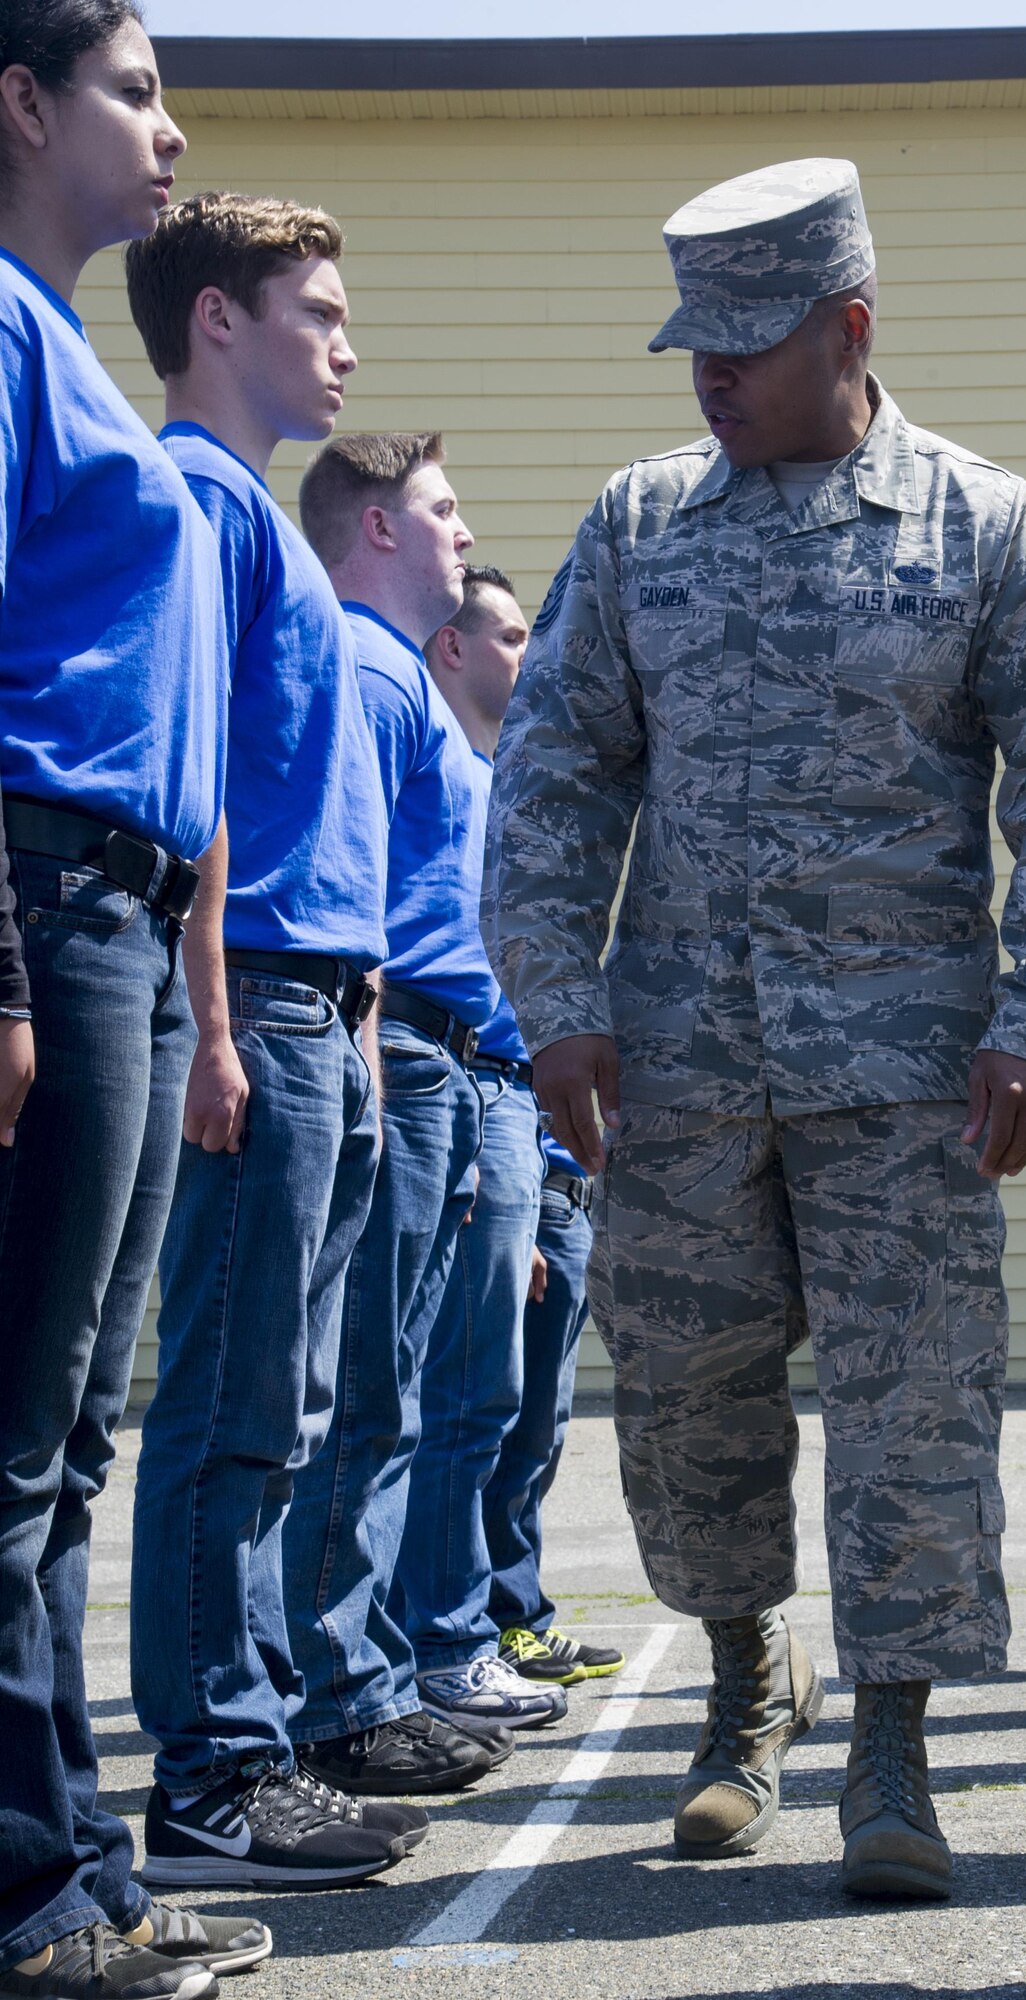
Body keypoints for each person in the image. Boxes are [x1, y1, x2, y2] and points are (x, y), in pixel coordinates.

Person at [486, 157, 1026, 1900]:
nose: (707, 378)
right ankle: (738, 1694)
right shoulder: (639, 528)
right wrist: (557, 1006)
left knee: (913, 1415)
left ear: (849, 329)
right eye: (691, 347)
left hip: (912, 1081)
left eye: (745, 346)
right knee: (691, 1407)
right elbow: (553, 780)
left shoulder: (985, 527)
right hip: (684, 1083)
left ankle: (894, 1754)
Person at [0, 7, 270, 1992]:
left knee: (74, 1440)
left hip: (131, 919)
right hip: (44, 899)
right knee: (14, 1446)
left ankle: (72, 1865)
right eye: (132, 90)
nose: (168, 130)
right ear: (20, 104)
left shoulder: (65, 348)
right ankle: (26, 1894)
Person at [122, 192, 414, 1889]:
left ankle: (259, 1737)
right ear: (218, 321)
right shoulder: (197, 496)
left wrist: (350, 1024)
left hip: (321, 1011)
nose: (344, 342)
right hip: (260, 1006)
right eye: (313, 309)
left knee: (290, 1403)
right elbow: (197, 782)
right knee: (236, 1402)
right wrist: (219, 1027)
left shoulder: (254, 516)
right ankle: (213, 1776)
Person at [281, 434, 515, 1797]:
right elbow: (347, 899)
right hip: (404, 1052)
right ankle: (343, 1689)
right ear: (373, 529)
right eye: (436, 509)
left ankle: (363, 1673)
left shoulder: (396, 686)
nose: (456, 529)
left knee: (394, 1390)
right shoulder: (372, 671)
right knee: (367, 1388)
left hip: (435, 1058)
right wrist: (367, 1073)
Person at [428, 566, 625, 1690]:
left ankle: (512, 1604)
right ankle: (464, 1628)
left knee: (531, 1413)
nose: (529, 652)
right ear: (454, 649)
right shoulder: (442, 771)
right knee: (476, 1409)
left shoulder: (506, 787)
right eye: (508, 633)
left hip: (541, 1144)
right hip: (490, 1119)